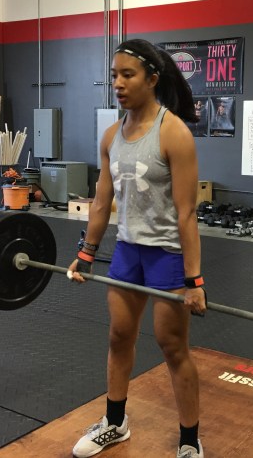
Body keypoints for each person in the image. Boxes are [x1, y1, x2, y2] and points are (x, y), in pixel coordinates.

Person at [68, 38, 207, 458]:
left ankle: (189, 441)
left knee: (172, 347)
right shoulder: (111, 136)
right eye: (115, 75)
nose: (118, 83)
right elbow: (101, 202)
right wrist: (86, 253)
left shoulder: (174, 133)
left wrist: (194, 281)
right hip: (128, 250)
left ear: (152, 79)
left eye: (128, 75)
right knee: (119, 337)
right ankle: (115, 423)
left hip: (166, 255)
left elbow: (187, 213)